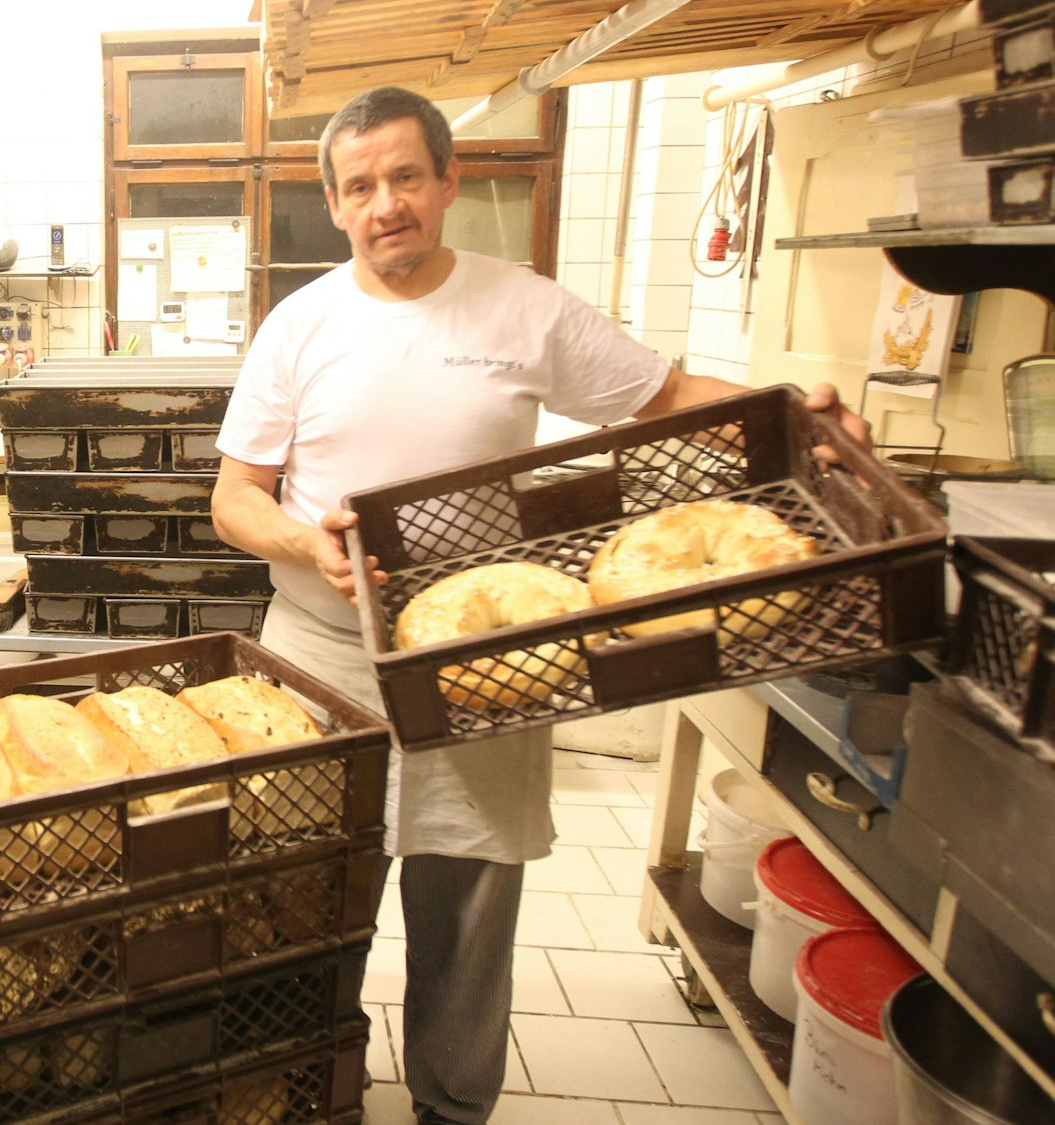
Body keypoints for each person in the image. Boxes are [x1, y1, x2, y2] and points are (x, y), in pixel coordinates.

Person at [209, 86, 869, 1125]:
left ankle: (451, 1108)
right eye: (359, 186)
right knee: (298, 902)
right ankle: (302, 1088)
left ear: (446, 182)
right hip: (321, 658)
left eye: (404, 177)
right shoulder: (300, 323)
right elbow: (234, 498)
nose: (385, 204)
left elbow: (662, 399)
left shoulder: (521, 305)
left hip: (488, 661)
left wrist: (782, 414)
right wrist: (308, 544)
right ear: (333, 205)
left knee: (467, 904)